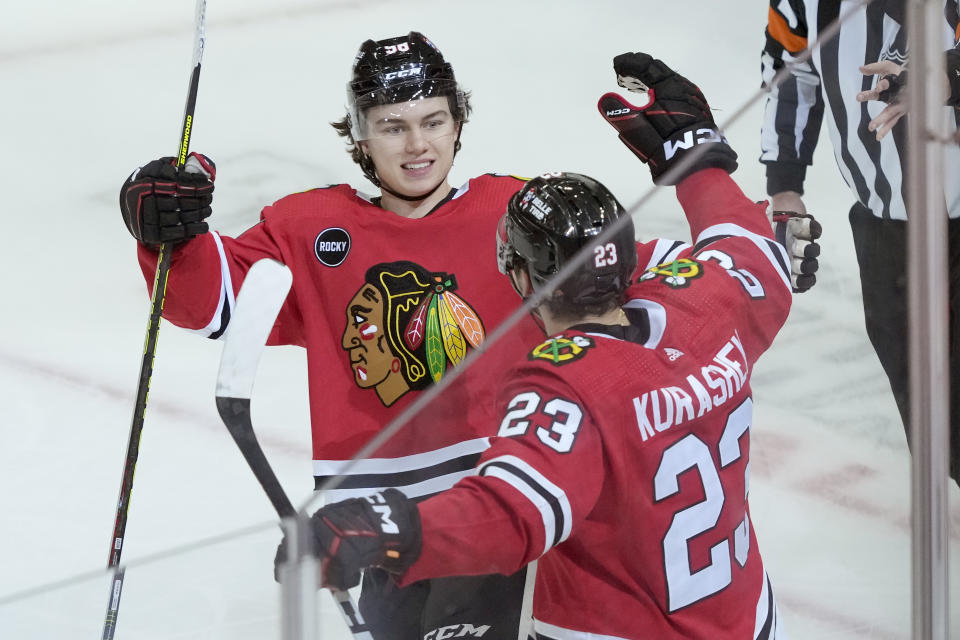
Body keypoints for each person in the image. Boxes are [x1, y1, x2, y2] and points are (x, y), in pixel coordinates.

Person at [119, 33, 811, 638]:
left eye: (433, 121)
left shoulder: (513, 209)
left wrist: (782, 238)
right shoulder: (309, 228)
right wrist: (167, 235)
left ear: (458, 124)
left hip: (511, 501)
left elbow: (627, 266)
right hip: (379, 534)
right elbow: (211, 302)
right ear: (359, 136)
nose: (418, 145)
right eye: (393, 127)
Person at [290, 53, 792, 640]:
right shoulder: (714, 301)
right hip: (747, 620)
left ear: (524, 281)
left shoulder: (567, 382)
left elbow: (510, 516)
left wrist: (385, 526)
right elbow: (747, 241)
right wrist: (698, 161)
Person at [760, 0, 960, 485]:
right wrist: (785, 192)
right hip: (884, 228)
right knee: (941, 436)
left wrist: (943, 77)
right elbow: (792, 76)